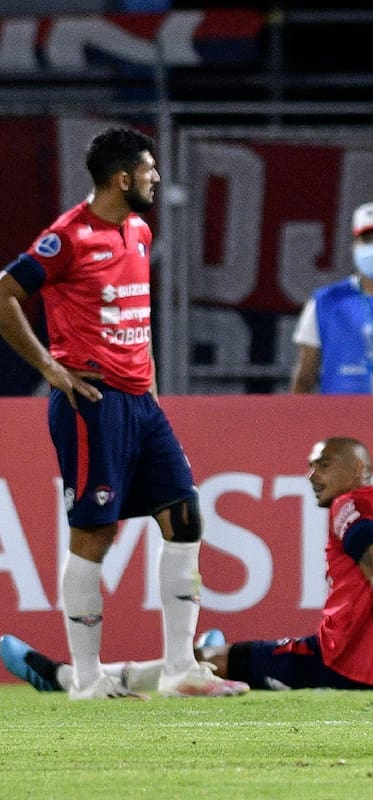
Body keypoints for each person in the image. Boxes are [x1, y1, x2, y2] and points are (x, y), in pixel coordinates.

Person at [0, 127, 247, 700]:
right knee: (94, 532)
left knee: (184, 518)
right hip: (93, 403)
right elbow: (5, 294)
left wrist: (154, 392)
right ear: (122, 178)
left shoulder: (138, 230)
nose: (156, 179)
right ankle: (87, 680)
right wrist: (51, 370)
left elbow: (139, 320)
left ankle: (182, 667)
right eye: (149, 170)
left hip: (141, 402)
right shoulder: (68, 238)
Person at [1, 437, 373, 693]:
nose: (311, 474)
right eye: (308, 465)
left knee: (216, 663)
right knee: (213, 660)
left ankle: (70, 677)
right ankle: (180, 658)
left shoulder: (353, 506)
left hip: (335, 665)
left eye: (323, 464)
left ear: (358, 468)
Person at [290, 201, 373, 395]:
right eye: (367, 240)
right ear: (355, 245)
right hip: (339, 417)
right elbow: (305, 377)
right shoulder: (325, 302)